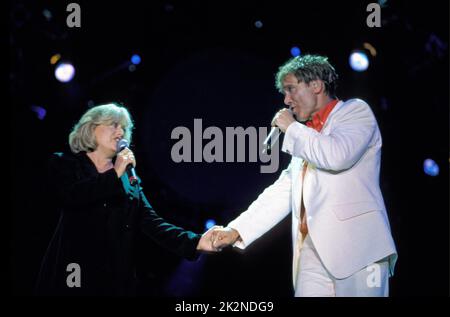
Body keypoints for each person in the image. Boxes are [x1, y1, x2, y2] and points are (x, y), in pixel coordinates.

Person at [211, 54, 398, 297]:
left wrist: (291, 127)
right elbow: (281, 192)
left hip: (359, 249)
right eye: (284, 93)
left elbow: (337, 155)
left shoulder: (355, 112)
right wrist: (236, 230)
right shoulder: (306, 139)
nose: (286, 100)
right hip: (311, 250)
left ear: (316, 85)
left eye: (291, 89)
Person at [35, 103, 219, 296]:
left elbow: (152, 223)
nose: (120, 131)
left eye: (124, 127)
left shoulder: (129, 179)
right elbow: (73, 195)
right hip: (74, 272)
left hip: (114, 280)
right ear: (90, 128)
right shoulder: (66, 164)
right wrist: (115, 173)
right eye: (114, 124)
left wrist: (196, 242)